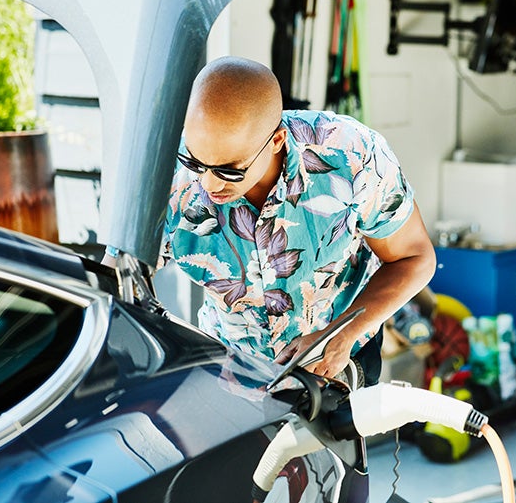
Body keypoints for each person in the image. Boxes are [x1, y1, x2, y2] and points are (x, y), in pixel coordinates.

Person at [105, 56, 435, 386]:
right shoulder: (167, 176)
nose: (208, 185)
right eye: (195, 160)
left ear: (276, 141)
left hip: (340, 359)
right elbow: (116, 277)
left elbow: (414, 258)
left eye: (229, 170)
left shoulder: (351, 155)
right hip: (231, 367)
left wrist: (341, 335)